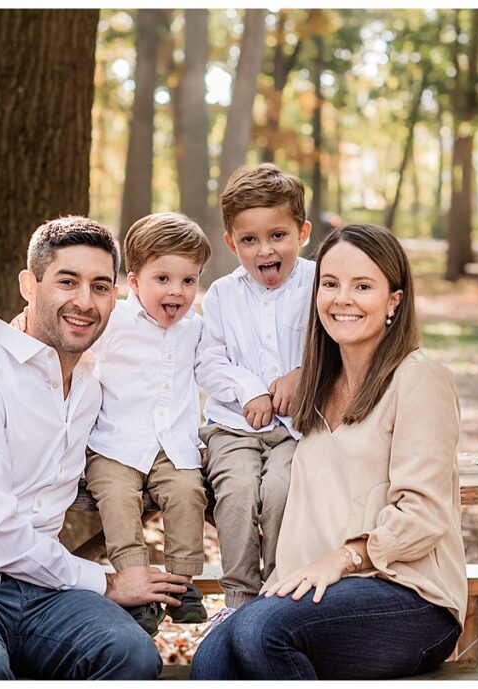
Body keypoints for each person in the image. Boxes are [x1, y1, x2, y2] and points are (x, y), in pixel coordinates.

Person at [0, 216, 188, 680]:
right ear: (29, 285)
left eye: (100, 287)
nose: (84, 302)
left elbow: (153, 419)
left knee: (130, 654)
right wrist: (107, 582)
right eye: (67, 282)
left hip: (47, 594)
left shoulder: (92, 384)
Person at [191, 224, 467, 680]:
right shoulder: (313, 391)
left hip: (409, 595)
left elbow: (425, 512)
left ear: (393, 300)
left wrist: (344, 557)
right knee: (214, 658)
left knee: (261, 632)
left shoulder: (419, 379)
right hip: (321, 593)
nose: (343, 299)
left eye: (363, 286)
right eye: (331, 284)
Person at [83, 212, 212, 636]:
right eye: (163, 279)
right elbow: (71, 350)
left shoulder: (198, 328)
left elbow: (215, 373)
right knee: (117, 497)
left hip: (173, 445)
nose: (177, 291)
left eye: (188, 281)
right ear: (134, 282)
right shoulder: (112, 321)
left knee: (188, 492)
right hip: (114, 442)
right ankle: (137, 585)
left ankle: (181, 583)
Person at [195, 163, 314, 616]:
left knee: (285, 489)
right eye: (249, 240)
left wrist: (303, 374)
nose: (265, 250)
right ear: (231, 242)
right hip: (233, 426)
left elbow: (335, 345)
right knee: (238, 491)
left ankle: (280, 591)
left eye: (278, 235)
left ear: (301, 232)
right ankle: (240, 597)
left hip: (297, 429)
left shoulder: (319, 282)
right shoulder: (224, 295)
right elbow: (208, 361)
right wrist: (249, 390)